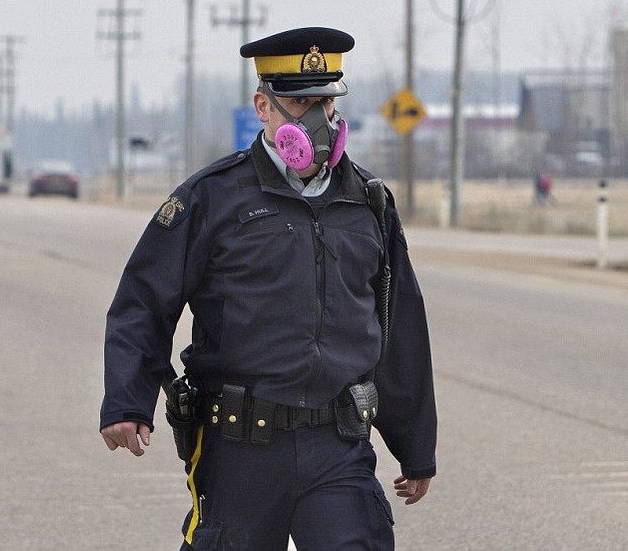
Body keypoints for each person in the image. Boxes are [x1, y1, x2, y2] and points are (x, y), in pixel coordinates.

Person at [100, 27, 437, 550]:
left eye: (326, 103)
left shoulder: (368, 201)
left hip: (338, 442)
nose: (317, 120)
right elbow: (144, 300)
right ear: (264, 106)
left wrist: (414, 447)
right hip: (241, 448)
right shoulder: (213, 197)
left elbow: (399, 324)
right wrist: (127, 401)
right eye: (300, 102)